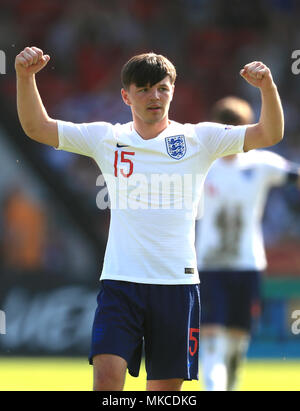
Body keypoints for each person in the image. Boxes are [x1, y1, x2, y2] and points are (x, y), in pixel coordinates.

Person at [15, 46, 284, 391]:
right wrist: (25, 77)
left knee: (163, 392)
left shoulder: (200, 138)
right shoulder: (107, 138)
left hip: (177, 284)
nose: (153, 96)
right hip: (120, 283)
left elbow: (270, 134)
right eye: (143, 89)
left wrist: (268, 88)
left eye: (161, 88)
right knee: (106, 380)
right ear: (126, 96)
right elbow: (37, 127)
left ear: (173, 90)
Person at [196, 96, 300, 391]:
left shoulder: (261, 163)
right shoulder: (203, 166)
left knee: (238, 339)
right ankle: (213, 387)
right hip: (209, 263)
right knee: (213, 333)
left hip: (247, 262)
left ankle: (230, 381)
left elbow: (294, 176)